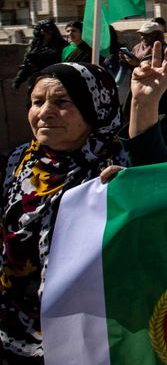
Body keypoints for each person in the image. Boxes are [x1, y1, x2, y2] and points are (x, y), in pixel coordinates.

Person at [1, 63, 129, 362]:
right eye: (36, 102)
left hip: (92, 335)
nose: (44, 112)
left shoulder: (122, 170)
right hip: (13, 329)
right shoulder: (19, 161)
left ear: (94, 108)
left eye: (61, 102)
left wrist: (132, 193)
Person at [12, 20, 67, 89]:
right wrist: (18, 80)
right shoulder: (35, 47)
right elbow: (27, 65)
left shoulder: (62, 46)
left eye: (47, 32)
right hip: (37, 81)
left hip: (55, 80)